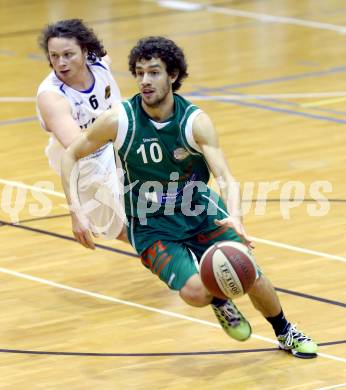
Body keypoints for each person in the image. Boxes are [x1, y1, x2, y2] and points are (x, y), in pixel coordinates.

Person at [61, 36, 318, 358]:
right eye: (139, 72)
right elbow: (70, 155)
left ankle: (285, 332)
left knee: (247, 269)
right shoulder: (119, 120)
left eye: (153, 72)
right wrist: (76, 211)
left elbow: (225, 176)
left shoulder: (195, 122)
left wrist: (236, 216)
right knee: (196, 293)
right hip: (151, 224)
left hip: (200, 211)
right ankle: (220, 299)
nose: (144, 80)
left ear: (172, 75)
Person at [36, 19, 125, 247]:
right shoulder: (52, 96)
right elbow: (78, 148)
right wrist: (76, 212)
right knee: (117, 227)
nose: (60, 62)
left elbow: (106, 58)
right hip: (84, 163)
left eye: (68, 54)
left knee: (155, 206)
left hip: (114, 143)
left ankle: (180, 256)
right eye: (54, 56)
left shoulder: (100, 64)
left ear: (85, 51)